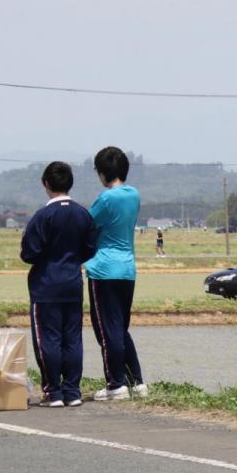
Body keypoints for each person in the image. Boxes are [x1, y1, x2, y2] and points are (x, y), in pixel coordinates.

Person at [20, 161, 97, 408]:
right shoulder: (82, 213)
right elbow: (90, 248)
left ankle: (53, 392)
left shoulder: (42, 216)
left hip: (46, 286)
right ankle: (72, 391)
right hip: (73, 283)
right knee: (72, 338)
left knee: (48, 339)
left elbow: (29, 253)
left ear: (46, 184)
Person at [85, 146, 147, 401]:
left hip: (103, 269)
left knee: (105, 330)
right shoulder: (134, 195)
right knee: (120, 327)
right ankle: (137, 382)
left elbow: (86, 225)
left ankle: (115, 384)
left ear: (101, 173)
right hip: (127, 269)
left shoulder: (105, 198)